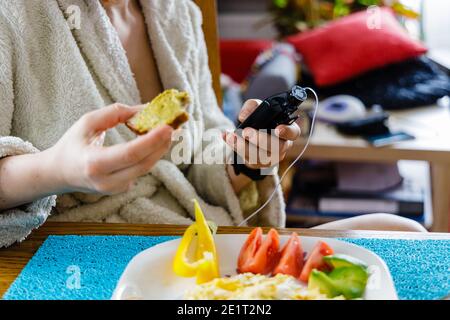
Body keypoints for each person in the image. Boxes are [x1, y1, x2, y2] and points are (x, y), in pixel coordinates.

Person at [0, 0, 425, 248]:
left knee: (401, 233)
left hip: (191, 231)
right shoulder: (13, 15)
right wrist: (56, 172)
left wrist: (244, 161)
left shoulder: (176, 12)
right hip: (82, 251)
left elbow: (202, 146)